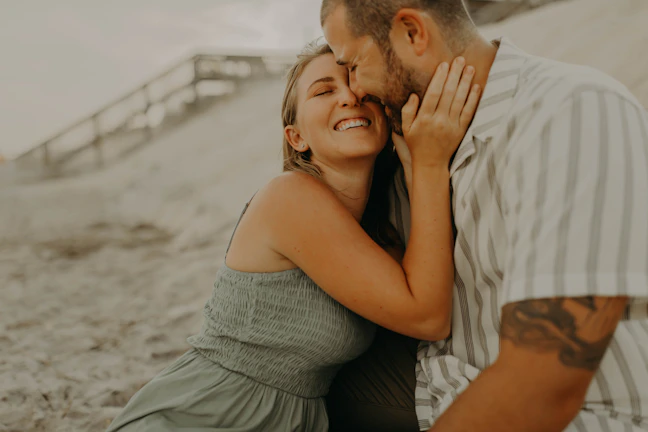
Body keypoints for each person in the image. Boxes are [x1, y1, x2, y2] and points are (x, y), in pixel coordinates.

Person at [105, 41, 480, 431]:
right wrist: (429, 163)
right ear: (296, 137)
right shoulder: (290, 197)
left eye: (359, 87)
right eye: (324, 91)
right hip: (204, 416)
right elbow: (427, 317)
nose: (350, 96)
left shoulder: (377, 238)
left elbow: (437, 304)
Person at [321, 0, 648, 431]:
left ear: (412, 34)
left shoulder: (569, 110)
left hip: (586, 415)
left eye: (355, 64)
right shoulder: (408, 142)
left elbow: (545, 384)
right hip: (442, 382)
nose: (355, 89)